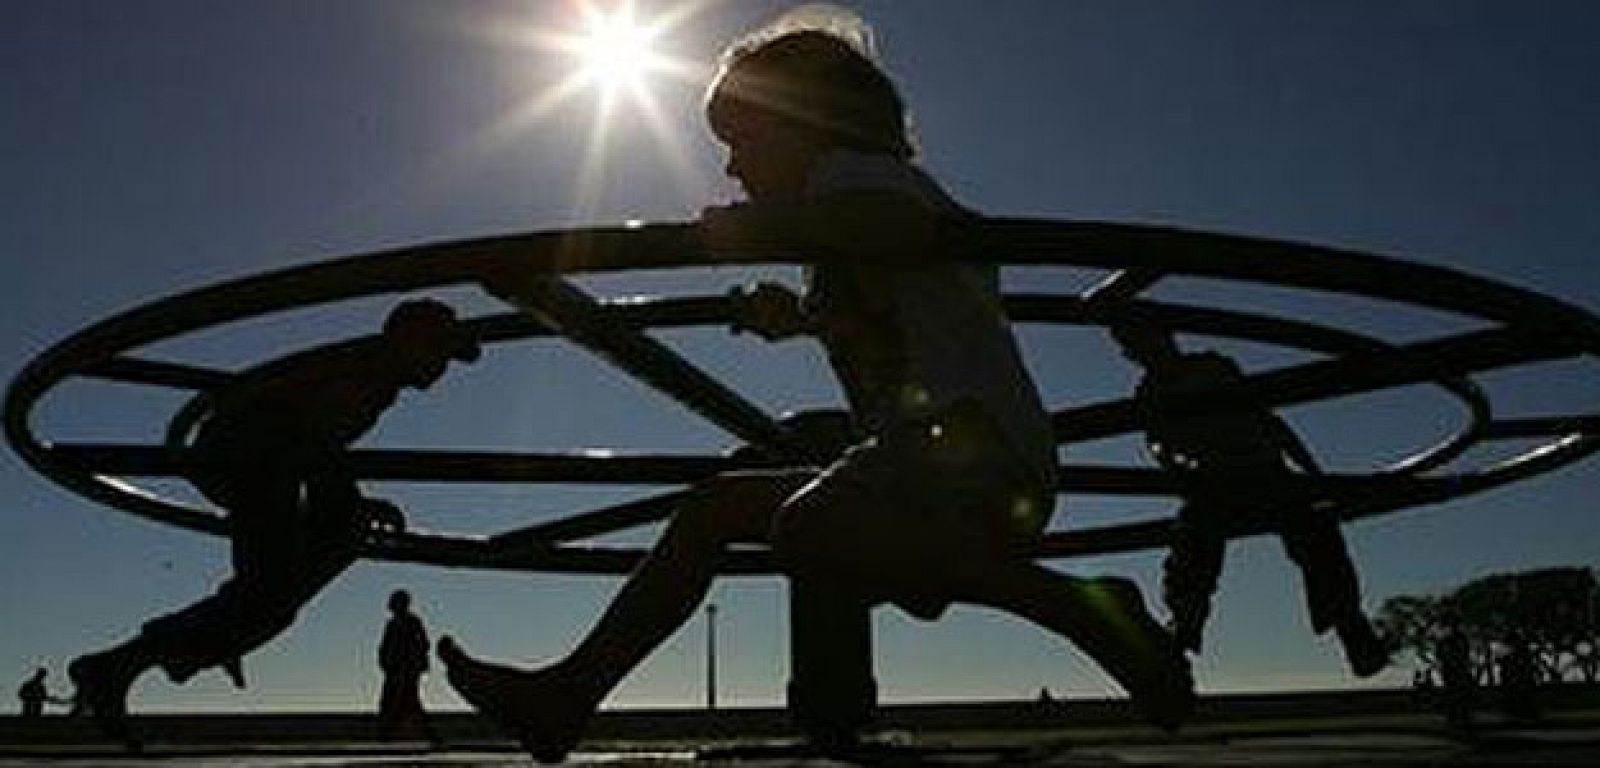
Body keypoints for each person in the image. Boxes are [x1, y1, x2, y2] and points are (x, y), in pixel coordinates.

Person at [440, 9, 1193, 763]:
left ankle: (1080, 607)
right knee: (715, 510)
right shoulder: (834, 212)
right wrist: (801, 319)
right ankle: (569, 693)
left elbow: (894, 225)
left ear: (809, 122)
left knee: (810, 528)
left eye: (743, 140)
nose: (732, 168)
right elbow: (891, 312)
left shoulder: (855, 173)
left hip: (972, 446)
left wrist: (758, 229)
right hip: (924, 453)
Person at [67, 298, 480, 748]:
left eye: (446, 356)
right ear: (406, 341)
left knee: (288, 583)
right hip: (252, 457)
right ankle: (141, 658)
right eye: (436, 350)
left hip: (267, 460)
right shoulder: (364, 374)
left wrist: (349, 506)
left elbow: (318, 448)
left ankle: (203, 638)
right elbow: (312, 437)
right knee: (271, 591)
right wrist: (349, 502)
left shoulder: (376, 381)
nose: (441, 366)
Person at [1109, 317, 1388, 677]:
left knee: (1316, 536)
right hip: (1212, 479)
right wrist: (1173, 466)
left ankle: (1350, 625)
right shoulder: (1149, 391)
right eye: (1131, 346)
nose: (1141, 351)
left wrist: (1316, 477)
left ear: (1165, 334)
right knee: (1191, 545)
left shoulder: (1213, 367)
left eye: (1143, 339)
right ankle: (1183, 629)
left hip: (1261, 468)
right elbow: (1156, 441)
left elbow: (1267, 420)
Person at [377, 589, 436, 743]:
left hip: (406, 670)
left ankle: (424, 732)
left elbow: (422, 644)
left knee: (406, 700)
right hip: (395, 669)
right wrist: (385, 662)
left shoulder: (412, 622)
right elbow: (385, 646)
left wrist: (413, 665)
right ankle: (388, 732)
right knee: (394, 700)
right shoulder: (392, 624)